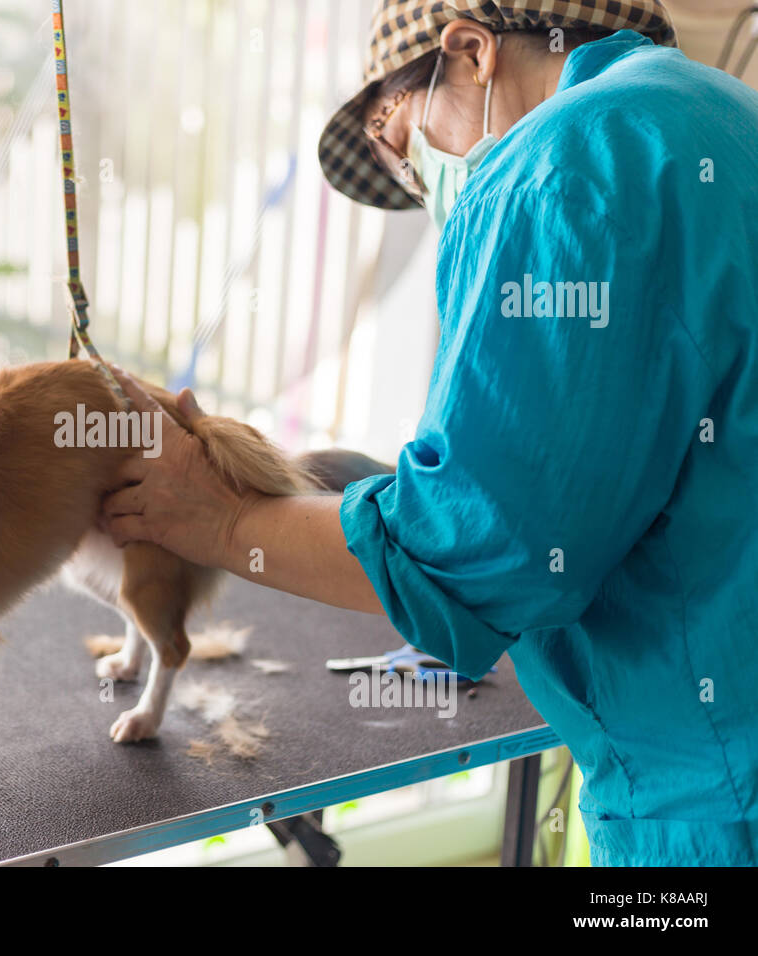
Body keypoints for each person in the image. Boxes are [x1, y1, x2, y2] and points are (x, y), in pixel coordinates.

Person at [100, 0, 758, 867]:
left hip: (711, 806)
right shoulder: (719, 113)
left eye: (403, 139)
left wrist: (220, 520)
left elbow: (481, 555)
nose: (422, 184)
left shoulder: (557, 168)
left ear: (472, 51)